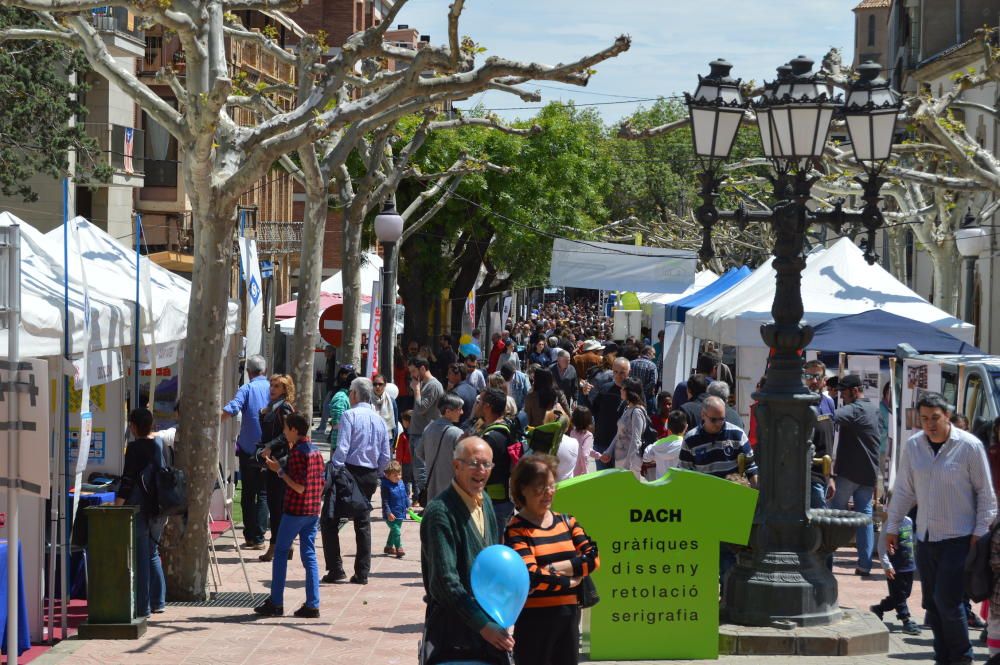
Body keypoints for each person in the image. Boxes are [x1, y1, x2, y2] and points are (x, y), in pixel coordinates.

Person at [885, 392, 997, 665]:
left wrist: (979, 533)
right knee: (933, 606)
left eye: (935, 418)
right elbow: (903, 491)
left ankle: (961, 658)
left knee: (948, 601)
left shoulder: (969, 446)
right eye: (924, 419)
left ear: (947, 416)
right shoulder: (913, 447)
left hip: (961, 538)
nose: (930, 424)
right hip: (926, 537)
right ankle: (943, 657)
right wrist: (892, 526)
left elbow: (986, 494)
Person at [419, 437, 514, 664]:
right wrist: (483, 625)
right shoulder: (440, 512)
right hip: (454, 635)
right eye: (474, 463)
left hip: (487, 626)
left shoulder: (486, 502)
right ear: (456, 466)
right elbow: (444, 583)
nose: (481, 471)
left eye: (487, 465)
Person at [505, 454, 600, 665]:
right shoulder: (516, 529)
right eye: (540, 487)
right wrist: (569, 581)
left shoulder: (567, 521)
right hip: (534, 623)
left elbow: (592, 559)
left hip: (568, 620)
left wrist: (552, 568)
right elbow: (531, 576)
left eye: (550, 486)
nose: (548, 493)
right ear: (522, 489)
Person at [254, 413, 325, 618]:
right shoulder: (316, 451)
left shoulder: (299, 453)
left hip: (296, 511)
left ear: (294, 429)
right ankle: (313, 603)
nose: (284, 432)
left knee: (281, 553)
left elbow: (300, 487)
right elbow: (319, 483)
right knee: (309, 555)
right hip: (312, 511)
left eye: (286, 428)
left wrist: (280, 472)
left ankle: (276, 602)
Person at [325, 377, 391, 585]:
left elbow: (342, 448)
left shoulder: (349, 415)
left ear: (354, 394)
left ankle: (336, 568)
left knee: (329, 519)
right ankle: (362, 572)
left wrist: (334, 469)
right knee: (362, 523)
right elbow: (386, 456)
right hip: (369, 475)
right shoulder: (379, 419)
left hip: (349, 473)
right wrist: (377, 473)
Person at [115, 408, 166, 617]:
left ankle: (143, 606)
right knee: (152, 552)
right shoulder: (159, 445)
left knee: (142, 555)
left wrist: (117, 504)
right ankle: (158, 600)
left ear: (133, 427)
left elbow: (127, 480)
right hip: (160, 506)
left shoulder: (135, 449)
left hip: (140, 506)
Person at [829, 373, 881, 576]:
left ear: (854, 391)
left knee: (833, 513)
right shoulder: (874, 409)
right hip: (869, 474)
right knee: (864, 517)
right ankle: (865, 565)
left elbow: (832, 416)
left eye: (843, 392)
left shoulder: (856, 409)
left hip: (850, 473)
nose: (842, 396)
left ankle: (826, 558)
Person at [222, 354, 271, 550]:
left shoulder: (247, 388)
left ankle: (251, 537)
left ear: (248, 372)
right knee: (264, 493)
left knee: (248, 494)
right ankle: (260, 537)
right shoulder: (273, 388)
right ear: (264, 371)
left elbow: (232, 408)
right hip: (269, 449)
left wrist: (214, 420)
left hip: (248, 450)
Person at [256, 374, 296, 563]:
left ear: (285, 390)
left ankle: (276, 546)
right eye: (272, 385)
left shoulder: (284, 407)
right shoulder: (272, 407)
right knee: (275, 504)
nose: (272, 389)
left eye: (277, 386)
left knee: (277, 505)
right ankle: (285, 544)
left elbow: (288, 434)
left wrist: (270, 445)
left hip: (280, 460)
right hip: (270, 457)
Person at [871, 513, 920, 635]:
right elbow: (881, 547)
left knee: (904, 594)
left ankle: (879, 608)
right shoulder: (890, 524)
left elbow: (912, 540)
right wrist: (887, 565)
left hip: (909, 566)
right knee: (900, 595)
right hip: (895, 568)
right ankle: (905, 620)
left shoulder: (909, 521)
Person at [478, 387, 517, 535]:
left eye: (480, 401)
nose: (478, 405)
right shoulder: (506, 428)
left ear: (487, 406)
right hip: (503, 499)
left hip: (493, 503)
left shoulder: (492, 437)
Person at [409, 356, 444, 504]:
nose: (412, 375)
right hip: (417, 432)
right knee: (418, 472)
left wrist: (416, 390)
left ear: (423, 368)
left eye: (414, 371)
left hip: (424, 433)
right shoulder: (424, 384)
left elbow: (422, 407)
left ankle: (429, 503)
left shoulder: (433, 386)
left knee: (422, 471)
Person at [418, 393, 466, 502]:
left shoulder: (428, 429)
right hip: (452, 491)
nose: (462, 412)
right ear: (448, 411)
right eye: (459, 409)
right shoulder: (457, 433)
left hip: (432, 490)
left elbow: (419, 453)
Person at [586, 356, 629, 471]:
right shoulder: (605, 389)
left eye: (622, 372)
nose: (618, 376)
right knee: (603, 481)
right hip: (602, 442)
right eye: (615, 372)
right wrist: (586, 395)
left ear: (629, 372)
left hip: (623, 446)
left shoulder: (634, 391)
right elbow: (593, 410)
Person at [600, 376, 647, 479]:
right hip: (620, 459)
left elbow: (636, 441)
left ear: (629, 392)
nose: (620, 390)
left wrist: (627, 465)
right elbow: (619, 433)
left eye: (623, 388)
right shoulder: (628, 408)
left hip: (630, 463)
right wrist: (609, 451)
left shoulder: (637, 412)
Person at [642, 409, 686, 479]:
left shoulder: (657, 445)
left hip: (661, 486)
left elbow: (646, 458)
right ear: (686, 427)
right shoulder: (685, 445)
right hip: (679, 486)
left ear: (667, 427)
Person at [380, 460, 410, 558]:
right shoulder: (385, 486)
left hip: (400, 512)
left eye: (399, 474)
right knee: (396, 531)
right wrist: (388, 513)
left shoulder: (401, 483)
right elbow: (385, 502)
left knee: (394, 530)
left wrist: (408, 506)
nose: (398, 477)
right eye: (395, 475)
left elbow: (405, 496)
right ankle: (399, 548)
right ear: (388, 476)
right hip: (390, 515)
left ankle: (388, 547)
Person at [325, 364, 356, 450]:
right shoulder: (341, 397)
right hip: (341, 445)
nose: (344, 376)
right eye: (344, 373)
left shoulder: (348, 395)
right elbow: (337, 423)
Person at [314, 346, 338, 438]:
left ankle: (322, 428)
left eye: (326, 351)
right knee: (327, 406)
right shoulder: (328, 360)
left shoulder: (333, 361)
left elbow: (332, 374)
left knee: (326, 406)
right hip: (329, 386)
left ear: (331, 352)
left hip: (333, 387)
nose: (324, 353)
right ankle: (322, 426)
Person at [446, 362, 478, 427]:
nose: (447, 376)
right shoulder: (473, 389)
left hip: (457, 429)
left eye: (450, 373)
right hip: (469, 427)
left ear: (458, 375)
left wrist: (448, 392)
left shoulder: (455, 393)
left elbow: (448, 415)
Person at [371, 373, 399, 448]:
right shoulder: (368, 400)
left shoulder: (391, 401)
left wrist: (393, 443)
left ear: (385, 385)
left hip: (387, 439)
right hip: (371, 440)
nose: (377, 386)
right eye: (375, 384)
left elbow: (395, 423)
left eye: (380, 384)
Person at [630, 345, 659, 412]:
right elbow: (653, 382)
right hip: (647, 398)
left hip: (632, 397)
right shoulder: (652, 365)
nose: (654, 357)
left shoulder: (631, 363)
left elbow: (627, 379)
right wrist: (643, 391)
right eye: (653, 354)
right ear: (648, 352)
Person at [569, 405, 594, 477]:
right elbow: (584, 454)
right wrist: (586, 472)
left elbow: (582, 450)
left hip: (572, 469)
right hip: (581, 473)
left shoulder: (572, 432)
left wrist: (598, 455)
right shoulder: (588, 436)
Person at [395, 410, 415, 503]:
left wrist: (398, 462)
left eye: (403, 421)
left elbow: (399, 450)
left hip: (406, 462)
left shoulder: (403, 436)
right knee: (416, 480)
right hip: (417, 461)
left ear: (407, 422)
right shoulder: (418, 434)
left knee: (406, 480)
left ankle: (406, 498)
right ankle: (416, 499)